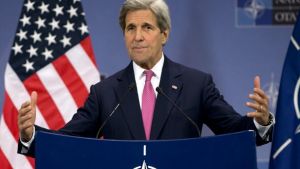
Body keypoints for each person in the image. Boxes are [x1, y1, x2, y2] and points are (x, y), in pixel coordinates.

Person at [18, 0, 274, 157]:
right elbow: (66, 142)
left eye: (147, 27)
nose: (137, 36)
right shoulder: (104, 92)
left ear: (164, 34)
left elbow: (235, 132)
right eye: (131, 28)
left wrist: (261, 123)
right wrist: (31, 135)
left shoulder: (197, 85)